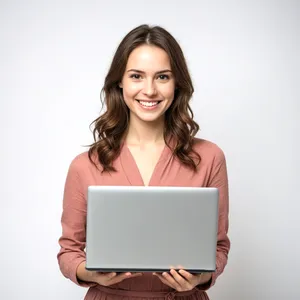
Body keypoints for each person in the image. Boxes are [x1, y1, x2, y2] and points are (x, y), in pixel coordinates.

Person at [57, 24, 230, 300]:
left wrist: (199, 278)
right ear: (120, 82)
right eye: (137, 76)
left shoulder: (209, 158)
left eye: (162, 77)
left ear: (177, 84)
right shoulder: (84, 165)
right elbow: (69, 251)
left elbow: (219, 248)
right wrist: (90, 273)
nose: (149, 90)